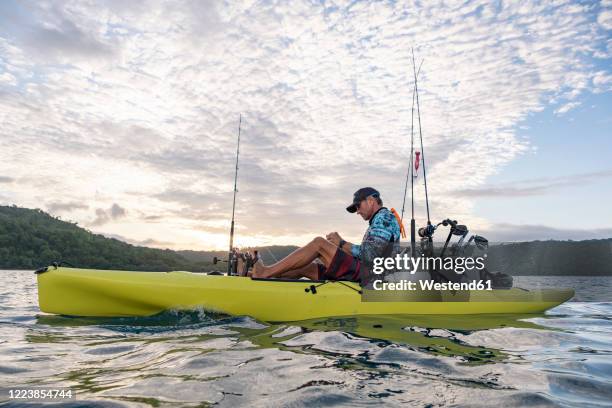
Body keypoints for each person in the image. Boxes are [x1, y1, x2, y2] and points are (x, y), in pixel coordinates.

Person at [251, 187, 401, 285]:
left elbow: (370, 255)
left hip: (373, 278)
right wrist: (337, 249)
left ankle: (266, 272)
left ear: (370, 201)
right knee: (306, 267)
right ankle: (260, 278)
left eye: (358, 206)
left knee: (319, 243)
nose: (357, 211)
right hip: (367, 273)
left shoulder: (384, 218)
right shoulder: (379, 220)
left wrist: (341, 243)